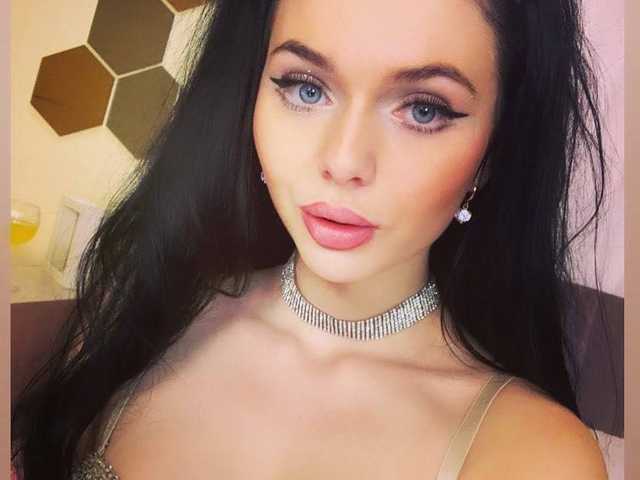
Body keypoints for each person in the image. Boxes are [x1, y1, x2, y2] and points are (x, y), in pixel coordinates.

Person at [12, 0, 613, 478]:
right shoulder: (143, 312)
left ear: (493, 153)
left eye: (424, 110)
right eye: (306, 88)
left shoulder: (534, 454)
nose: (344, 160)